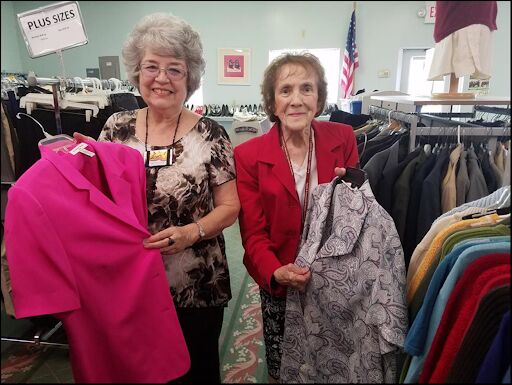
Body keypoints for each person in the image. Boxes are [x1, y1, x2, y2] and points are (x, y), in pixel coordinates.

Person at [76, 12, 240, 383]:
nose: (161, 78)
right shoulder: (116, 127)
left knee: (195, 371)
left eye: (174, 69)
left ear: (190, 77)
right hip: (131, 282)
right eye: (151, 66)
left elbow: (230, 206)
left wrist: (191, 232)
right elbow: (95, 198)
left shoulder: (211, 134)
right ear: (136, 72)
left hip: (197, 283)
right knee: (137, 370)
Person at [233, 52, 359, 382]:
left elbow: (353, 213)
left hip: (332, 278)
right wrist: (275, 270)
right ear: (272, 103)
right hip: (279, 275)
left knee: (332, 359)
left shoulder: (343, 138)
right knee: (284, 363)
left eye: (307, 88)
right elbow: (253, 232)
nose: (296, 100)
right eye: (285, 90)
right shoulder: (247, 156)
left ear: (319, 99)